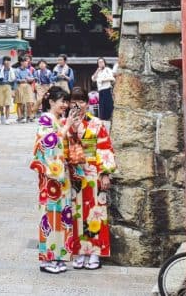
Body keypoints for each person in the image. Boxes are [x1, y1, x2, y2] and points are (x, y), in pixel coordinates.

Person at [66, 87, 116, 269]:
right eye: (73, 101)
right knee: (76, 212)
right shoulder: (66, 123)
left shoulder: (97, 123)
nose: (77, 104)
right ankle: (78, 252)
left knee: (95, 213)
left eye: (81, 101)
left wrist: (105, 173)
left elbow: (105, 147)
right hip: (74, 174)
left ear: (88, 103)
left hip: (94, 171)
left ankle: (95, 253)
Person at [30, 86, 75, 274]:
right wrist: (65, 128)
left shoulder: (56, 120)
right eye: (61, 101)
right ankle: (46, 259)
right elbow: (49, 142)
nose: (64, 105)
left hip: (60, 175)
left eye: (66, 101)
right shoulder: (46, 119)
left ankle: (57, 256)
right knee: (49, 217)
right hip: (51, 176)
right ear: (51, 102)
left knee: (61, 215)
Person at [0, 56, 16, 124]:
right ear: (3, 62)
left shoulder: (12, 70)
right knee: (1, 104)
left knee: (7, 103)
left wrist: (13, 91)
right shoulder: (0, 70)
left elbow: (14, 81)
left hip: (8, 86)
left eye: (8, 60)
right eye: (6, 60)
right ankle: (2, 115)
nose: (7, 62)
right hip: (0, 86)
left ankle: (7, 118)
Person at [93, 57, 116, 126]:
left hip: (107, 89)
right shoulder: (98, 71)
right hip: (100, 91)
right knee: (102, 107)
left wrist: (103, 80)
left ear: (104, 63)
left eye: (102, 62)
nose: (101, 63)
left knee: (108, 106)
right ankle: (103, 121)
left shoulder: (107, 69)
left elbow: (112, 78)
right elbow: (93, 79)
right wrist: (97, 71)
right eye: (99, 62)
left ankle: (110, 119)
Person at [15, 56, 36, 123]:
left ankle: (29, 116)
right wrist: (23, 80)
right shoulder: (17, 70)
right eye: (25, 61)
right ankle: (20, 117)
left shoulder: (28, 70)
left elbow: (32, 77)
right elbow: (16, 79)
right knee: (20, 102)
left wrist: (31, 79)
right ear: (21, 62)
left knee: (29, 102)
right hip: (20, 86)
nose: (27, 63)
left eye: (27, 61)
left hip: (28, 86)